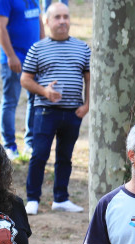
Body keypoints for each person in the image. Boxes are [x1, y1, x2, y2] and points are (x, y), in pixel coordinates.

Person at [20, 2, 90, 215]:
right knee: (39, 155)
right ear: (47, 21)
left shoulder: (82, 48)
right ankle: (32, 198)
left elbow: (90, 78)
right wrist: (44, 92)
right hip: (45, 112)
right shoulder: (37, 48)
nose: (62, 21)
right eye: (57, 17)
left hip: (73, 113)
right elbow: (25, 79)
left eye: (65, 17)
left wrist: (87, 105)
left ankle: (61, 198)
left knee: (65, 157)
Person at [0, 0, 43, 158]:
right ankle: (9, 146)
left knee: (35, 101)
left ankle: (30, 144)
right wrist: (11, 56)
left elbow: (39, 22)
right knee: (10, 101)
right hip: (14, 60)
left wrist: (43, 50)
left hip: (35, 59)